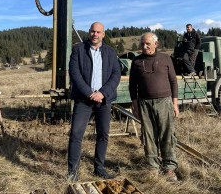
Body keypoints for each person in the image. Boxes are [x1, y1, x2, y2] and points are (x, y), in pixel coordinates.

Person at [67, 21, 121, 181]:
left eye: (98, 32)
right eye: (93, 31)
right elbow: (75, 74)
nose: (95, 34)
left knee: (103, 134)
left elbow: (116, 75)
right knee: (76, 134)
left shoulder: (111, 53)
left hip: (104, 100)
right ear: (89, 32)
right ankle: (72, 173)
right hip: (84, 100)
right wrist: (90, 93)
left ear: (103, 34)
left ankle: (99, 168)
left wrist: (102, 93)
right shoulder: (78, 50)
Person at [129, 32, 179, 182]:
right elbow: (132, 85)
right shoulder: (136, 61)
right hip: (144, 103)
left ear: (156, 44)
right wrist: (135, 104)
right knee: (149, 135)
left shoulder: (165, 59)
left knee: (167, 134)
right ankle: (153, 167)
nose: (144, 47)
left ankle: (169, 167)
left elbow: (173, 82)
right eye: (142, 44)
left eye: (148, 44)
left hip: (164, 101)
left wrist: (175, 104)